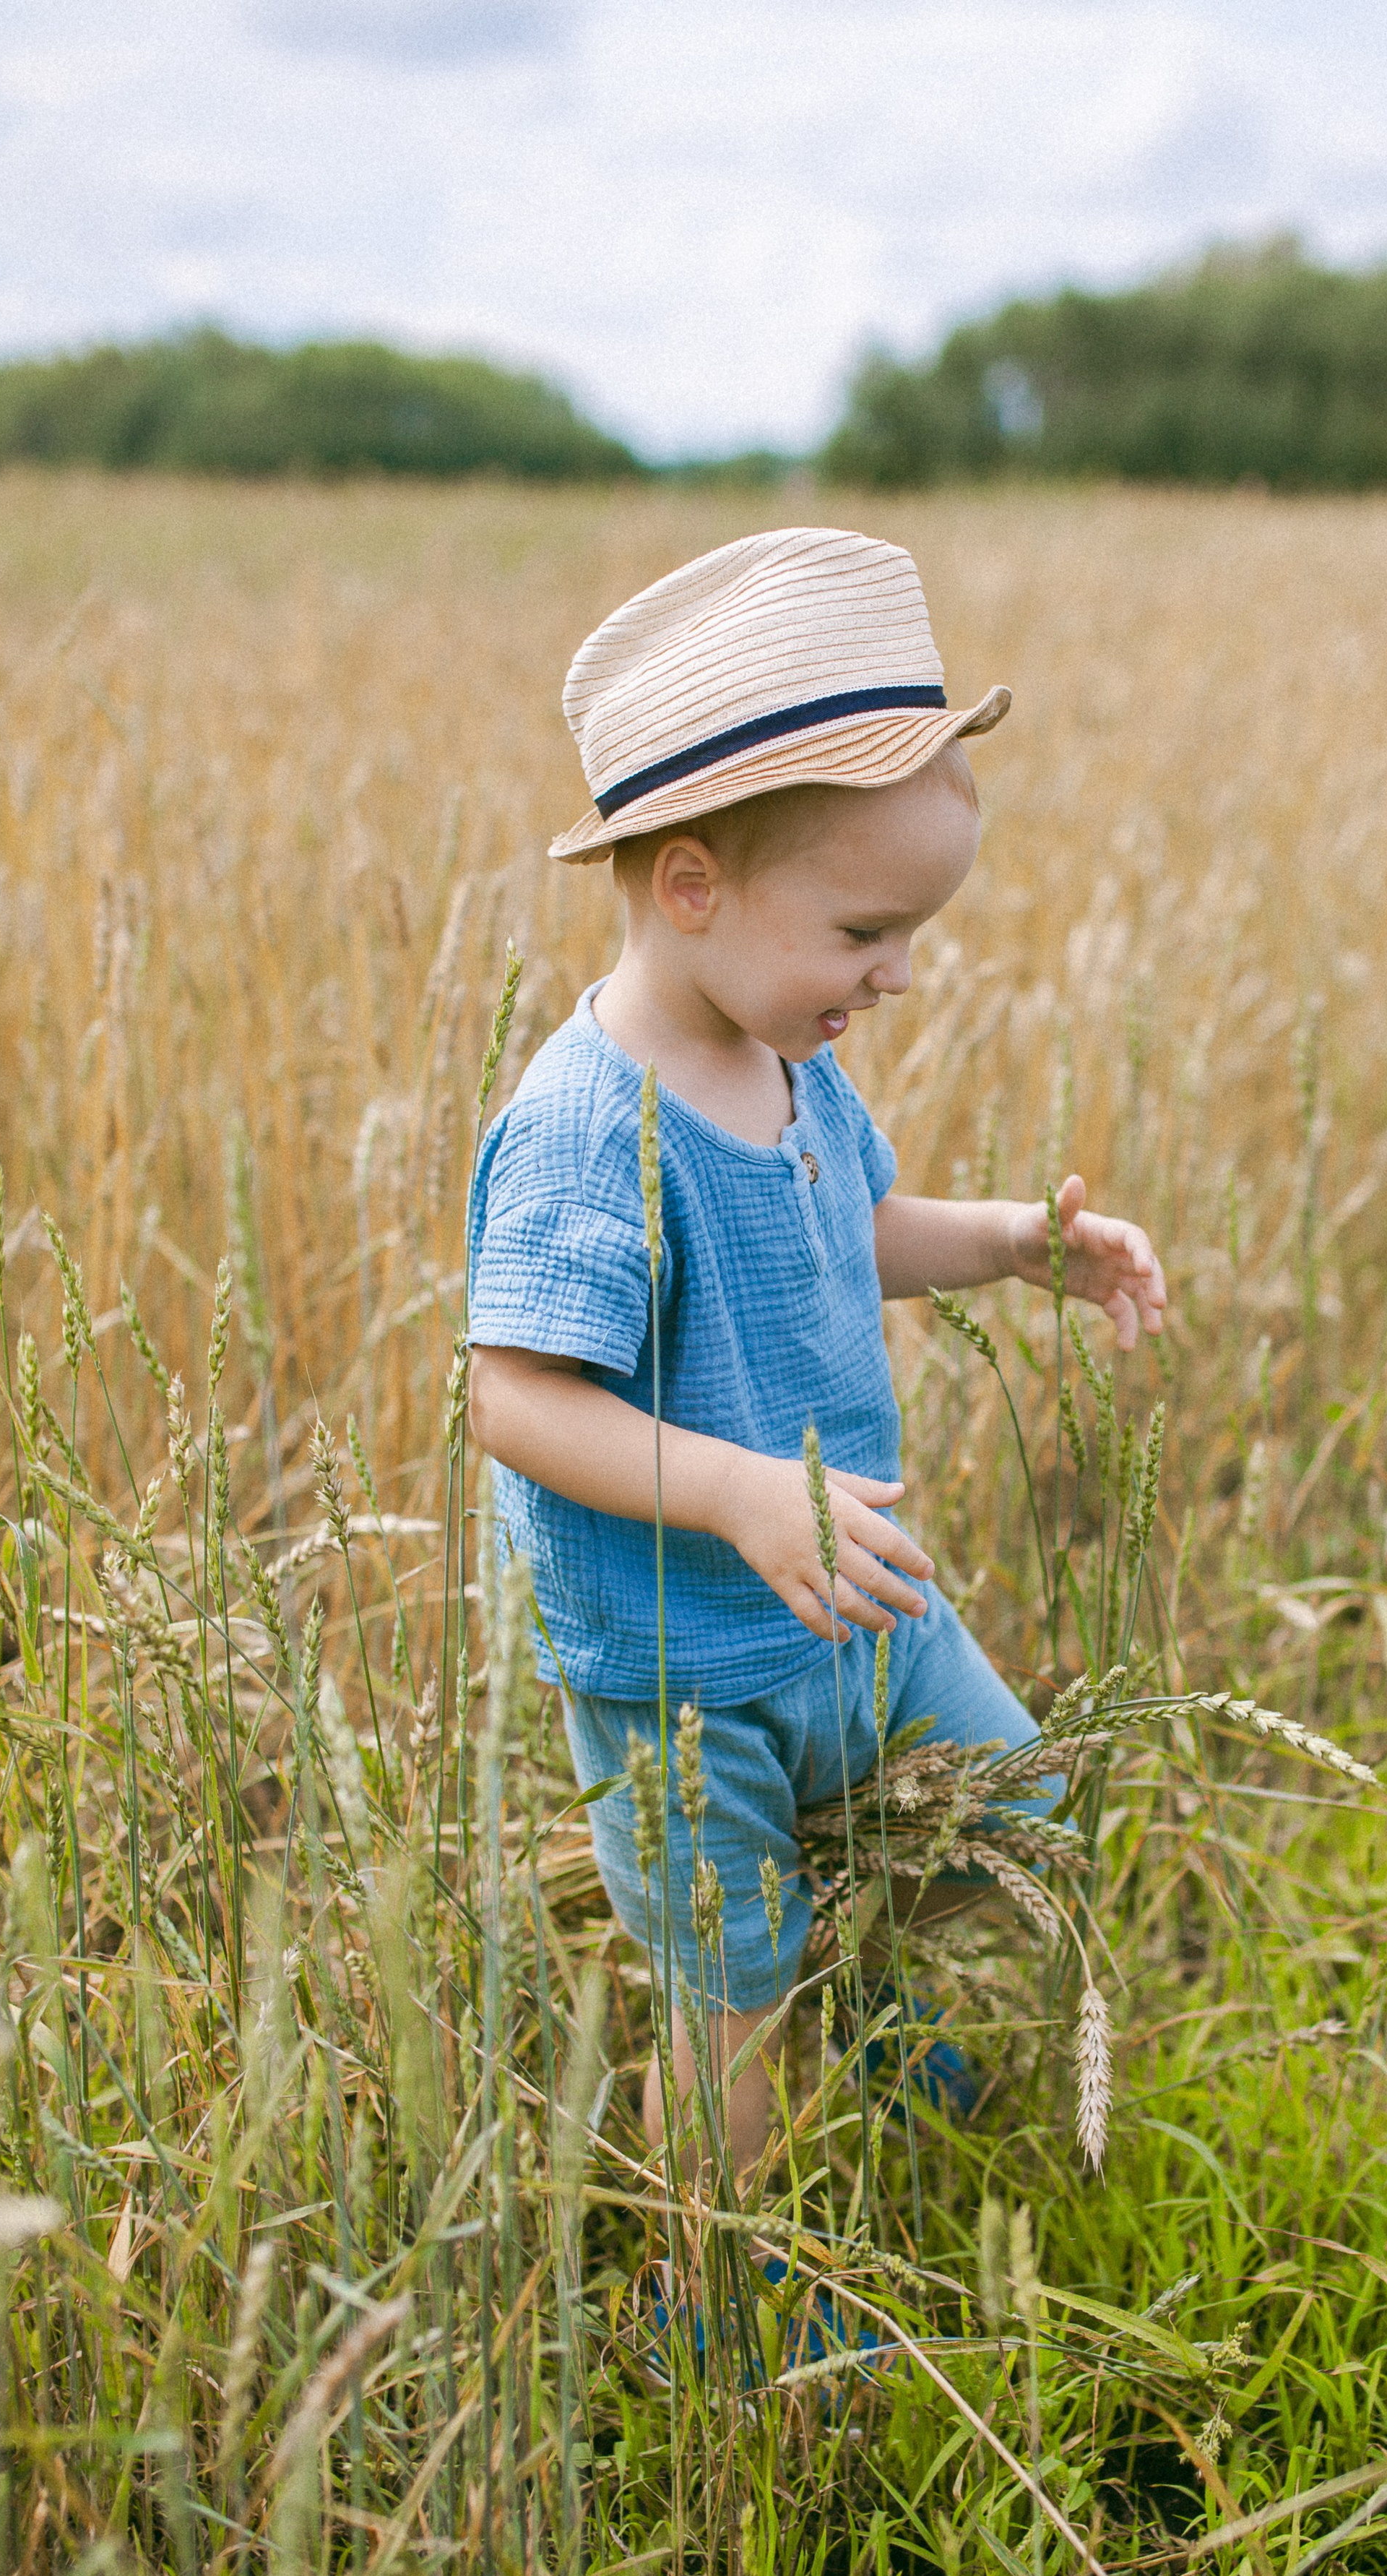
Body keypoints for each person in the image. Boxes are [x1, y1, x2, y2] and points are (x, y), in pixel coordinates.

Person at [467, 526, 1165, 2180]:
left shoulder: (784, 1056)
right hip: (686, 1669)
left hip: (854, 1605)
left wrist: (1008, 1244)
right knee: (730, 2009)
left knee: (1016, 1816)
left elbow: (843, 1228)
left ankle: (858, 1982)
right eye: (864, 931)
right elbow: (510, 1394)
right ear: (692, 885)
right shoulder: (585, 1128)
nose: (898, 974)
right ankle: (721, 2302)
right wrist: (734, 1498)